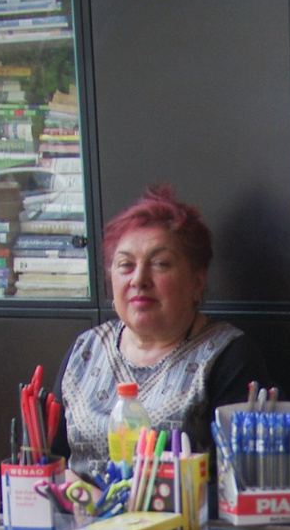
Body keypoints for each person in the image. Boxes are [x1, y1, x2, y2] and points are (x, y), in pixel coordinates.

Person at [53, 185, 267, 467]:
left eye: (160, 264)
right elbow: (48, 461)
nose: (139, 279)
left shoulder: (227, 356)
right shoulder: (86, 349)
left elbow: (243, 479)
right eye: (125, 265)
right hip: (77, 508)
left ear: (197, 281)